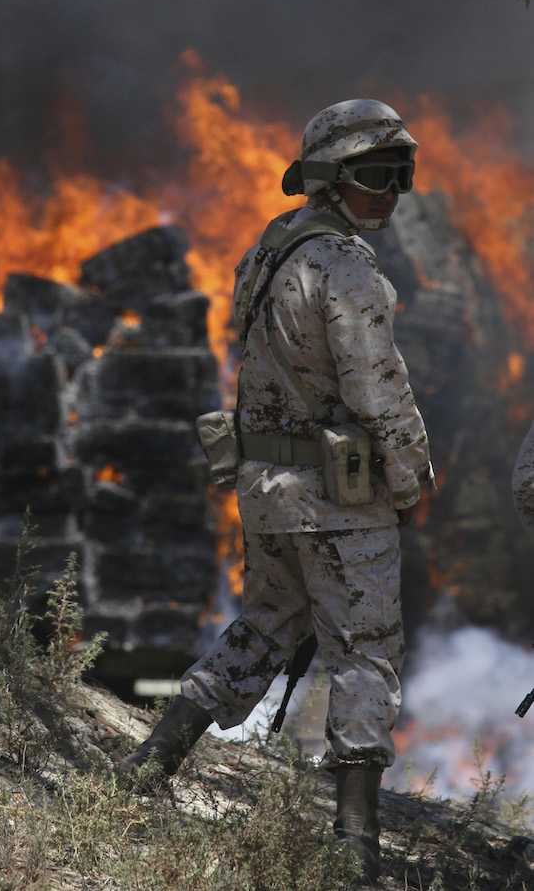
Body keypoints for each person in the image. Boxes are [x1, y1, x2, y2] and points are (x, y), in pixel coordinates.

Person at [117, 99, 434, 885]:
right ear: (329, 179)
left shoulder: (266, 252)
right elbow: (379, 390)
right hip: (338, 498)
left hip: (267, 488)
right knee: (365, 653)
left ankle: (148, 765)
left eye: (401, 174)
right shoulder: (348, 266)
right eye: (374, 174)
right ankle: (354, 849)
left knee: (263, 626)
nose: (390, 191)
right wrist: (411, 475)